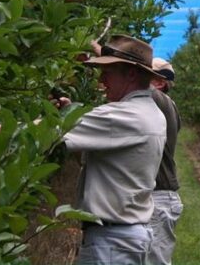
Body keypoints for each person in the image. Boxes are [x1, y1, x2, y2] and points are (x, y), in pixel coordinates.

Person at [63, 34, 167, 265]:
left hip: (111, 243)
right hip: (125, 238)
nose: (101, 80)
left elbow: (50, 133)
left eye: (107, 73)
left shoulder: (123, 116)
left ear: (130, 74)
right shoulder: (149, 113)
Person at [148, 57, 182, 265]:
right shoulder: (149, 109)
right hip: (151, 196)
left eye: (143, 73)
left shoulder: (162, 102)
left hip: (159, 197)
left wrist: (98, 50)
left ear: (160, 82)